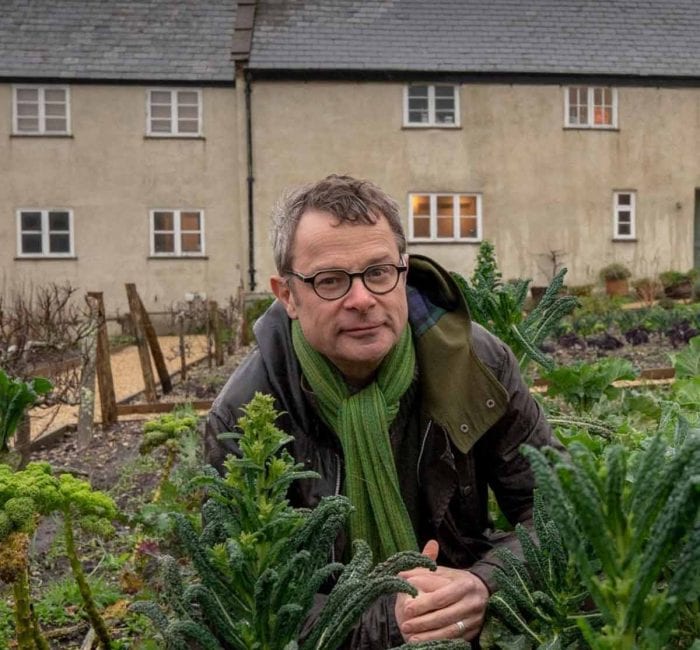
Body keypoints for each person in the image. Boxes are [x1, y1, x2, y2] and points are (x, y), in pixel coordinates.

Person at [205, 174, 556, 648]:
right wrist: (394, 619)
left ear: (404, 272)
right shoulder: (246, 416)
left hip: (468, 610)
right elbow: (240, 598)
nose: (362, 299)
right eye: (330, 280)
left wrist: (484, 583)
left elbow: (558, 508)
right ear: (287, 295)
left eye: (378, 272)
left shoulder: (476, 364)